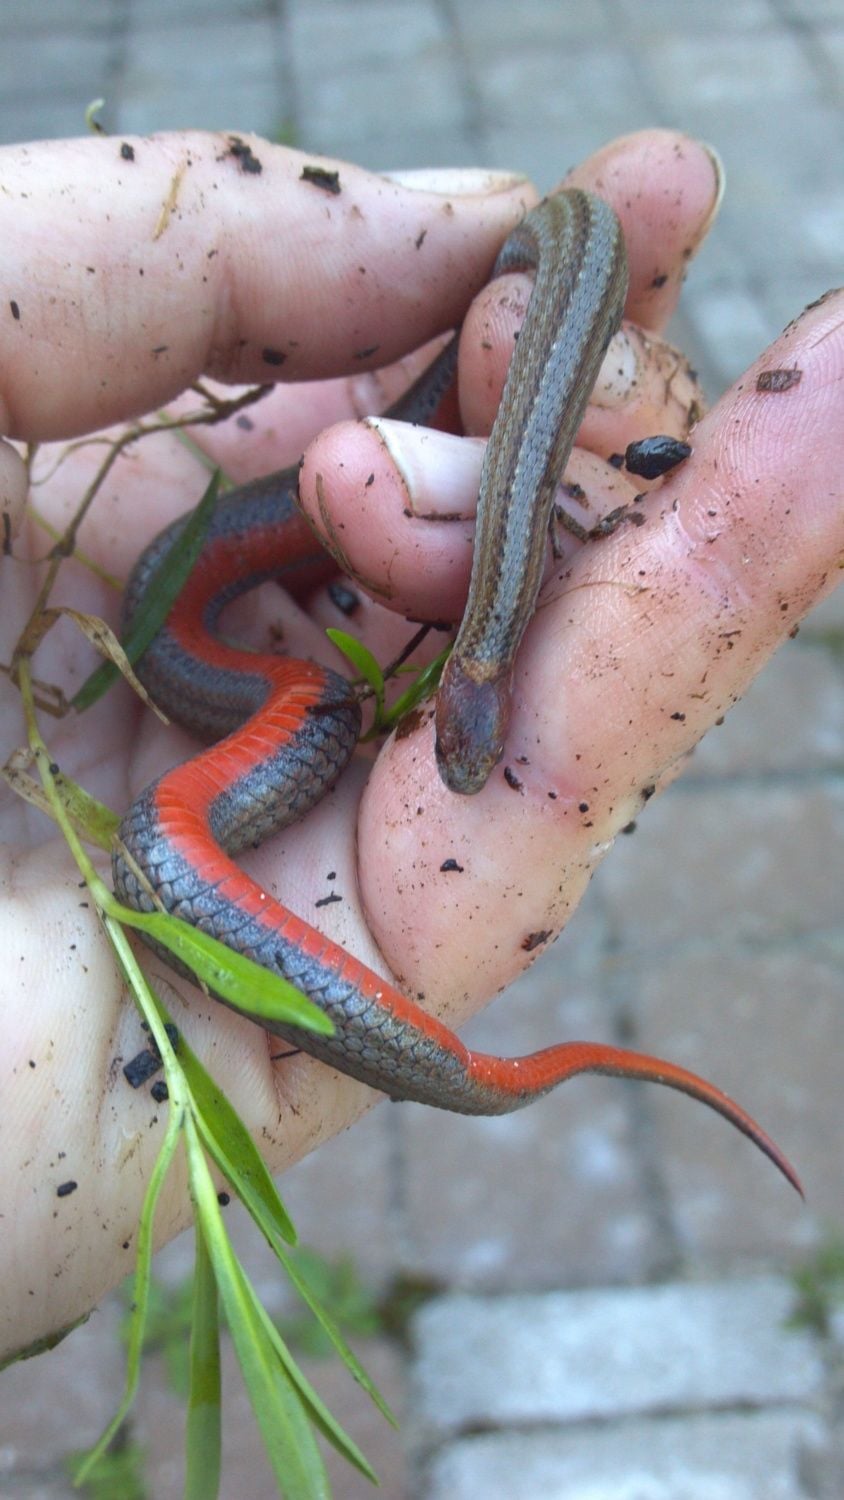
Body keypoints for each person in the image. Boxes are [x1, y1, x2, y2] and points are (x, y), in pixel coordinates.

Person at [1, 127, 840, 1363]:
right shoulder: (402, 629)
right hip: (180, 624)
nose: (463, 769)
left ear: (459, 678)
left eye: (467, 754)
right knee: (473, 445)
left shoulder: (487, 620)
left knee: (518, 418)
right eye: (461, 750)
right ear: (456, 692)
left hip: (242, 662)